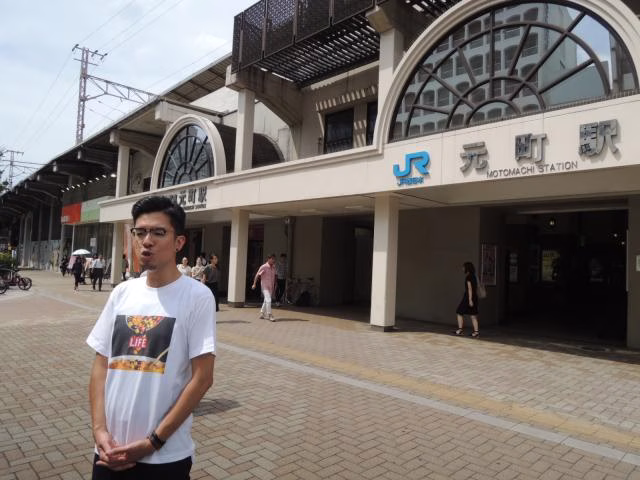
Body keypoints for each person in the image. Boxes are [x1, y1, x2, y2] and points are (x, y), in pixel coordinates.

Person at [86, 195, 215, 479]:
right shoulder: (122, 293)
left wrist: (153, 442)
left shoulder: (197, 296)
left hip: (164, 458)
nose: (147, 241)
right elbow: (100, 365)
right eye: (140, 232)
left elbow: (202, 378)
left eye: (158, 232)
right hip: (108, 451)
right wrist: (99, 431)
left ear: (179, 242)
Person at [454, 261, 480, 338]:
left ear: (467, 268)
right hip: (475, 297)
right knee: (473, 315)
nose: (462, 268)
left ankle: (460, 330)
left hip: (468, 297)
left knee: (459, 312)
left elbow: (469, 289)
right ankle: (476, 332)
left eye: (463, 267)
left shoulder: (468, 277)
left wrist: (470, 300)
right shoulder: (474, 276)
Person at [252, 254, 277, 322]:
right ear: (268, 259)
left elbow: (274, 277)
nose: (273, 260)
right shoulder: (264, 267)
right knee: (269, 300)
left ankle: (262, 313)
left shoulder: (274, 267)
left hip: (271, 286)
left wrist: (275, 285)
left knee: (266, 300)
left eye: (274, 259)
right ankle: (270, 315)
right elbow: (257, 275)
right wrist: (254, 284)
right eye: (272, 259)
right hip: (264, 286)